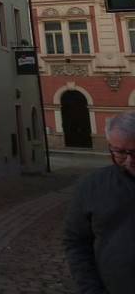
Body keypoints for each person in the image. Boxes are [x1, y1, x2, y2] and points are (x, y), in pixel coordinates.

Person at [64, 111, 135, 293]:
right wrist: (90, 288)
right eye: (120, 152)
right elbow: (76, 241)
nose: (129, 160)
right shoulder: (91, 185)